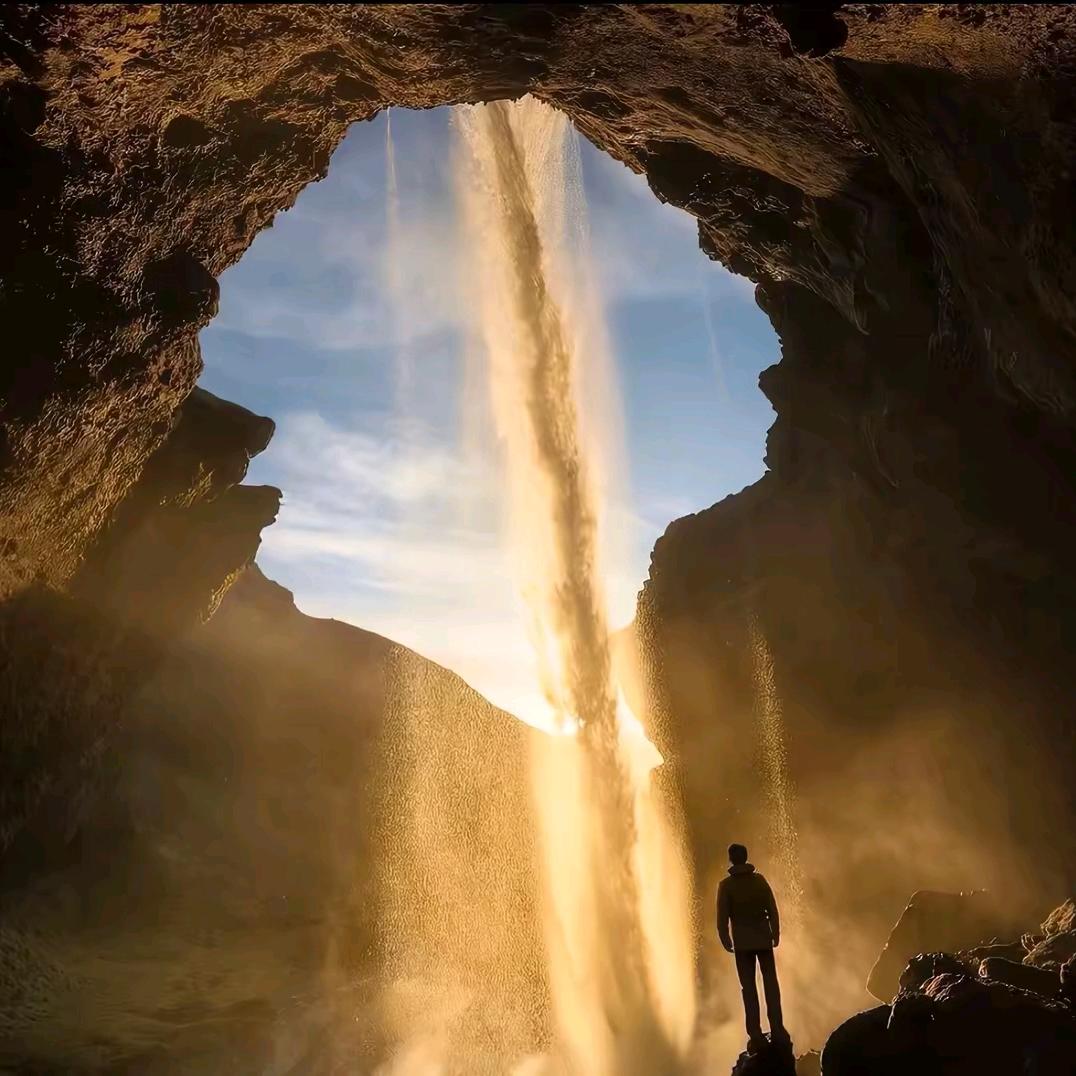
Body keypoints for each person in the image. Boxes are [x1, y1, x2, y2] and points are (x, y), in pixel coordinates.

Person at [716, 842, 788, 1051]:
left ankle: (755, 1034)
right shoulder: (759, 881)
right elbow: (772, 908)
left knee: (748, 988)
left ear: (731, 859)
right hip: (763, 938)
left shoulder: (726, 886)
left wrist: (725, 938)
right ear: (746, 857)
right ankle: (777, 1028)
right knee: (770, 984)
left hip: (742, 942)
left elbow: (722, 917)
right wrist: (775, 932)